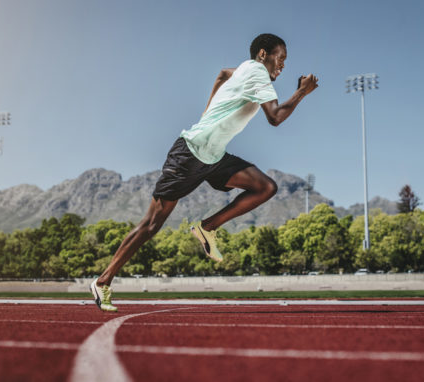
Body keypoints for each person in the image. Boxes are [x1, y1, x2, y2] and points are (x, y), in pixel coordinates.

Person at [91, 33, 319, 311]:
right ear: (262, 54)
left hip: (213, 157)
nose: (282, 65)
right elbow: (275, 117)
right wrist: (302, 93)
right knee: (151, 225)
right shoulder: (258, 72)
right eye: (280, 58)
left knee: (265, 187)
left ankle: (207, 227)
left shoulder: (247, 68)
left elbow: (223, 74)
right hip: (188, 155)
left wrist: (207, 112)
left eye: (285, 61)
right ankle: (103, 282)